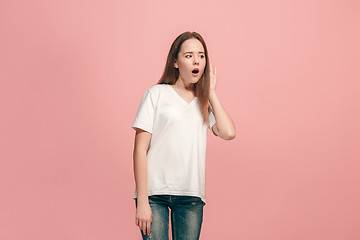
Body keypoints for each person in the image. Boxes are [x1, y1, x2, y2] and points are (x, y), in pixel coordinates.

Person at [132, 31, 236, 239]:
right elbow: (139, 150)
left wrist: (212, 92)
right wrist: (142, 201)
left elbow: (228, 133)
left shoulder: (204, 102)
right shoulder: (156, 94)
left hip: (191, 196)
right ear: (176, 62)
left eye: (201, 55)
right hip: (154, 194)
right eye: (188, 55)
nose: (196, 60)